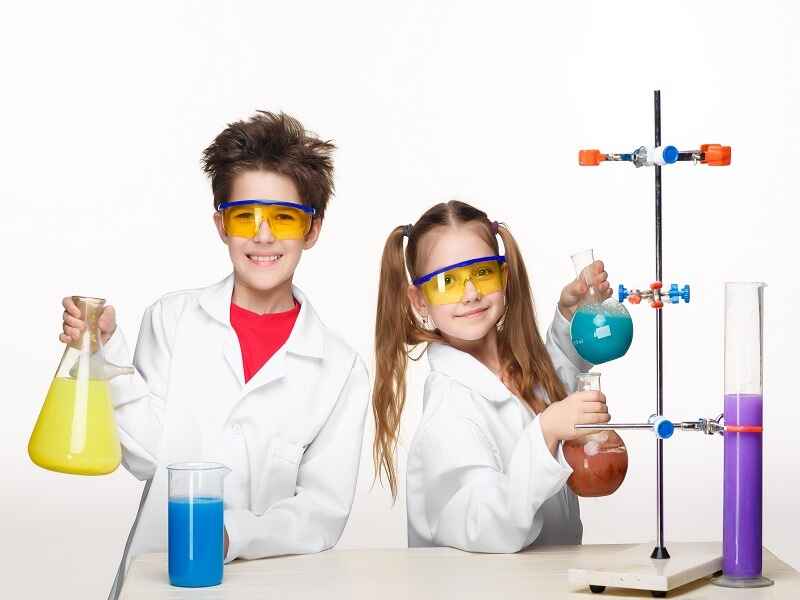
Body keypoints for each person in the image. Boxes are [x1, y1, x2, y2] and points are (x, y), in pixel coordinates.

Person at [59, 112, 369, 598]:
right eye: (245, 215)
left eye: (284, 218)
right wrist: (105, 355)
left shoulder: (340, 367)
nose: (263, 236)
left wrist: (232, 536)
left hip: (273, 584)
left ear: (312, 229)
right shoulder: (173, 320)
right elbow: (146, 459)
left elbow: (320, 514)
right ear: (221, 224)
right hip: (163, 578)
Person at [372, 200, 613, 552]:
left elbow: (549, 388)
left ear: (503, 274)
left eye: (482, 272)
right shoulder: (448, 412)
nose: (471, 294)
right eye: (447, 282)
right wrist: (545, 432)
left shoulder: (516, 368)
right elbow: (485, 528)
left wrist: (570, 319)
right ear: (419, 300)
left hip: (551, 580)